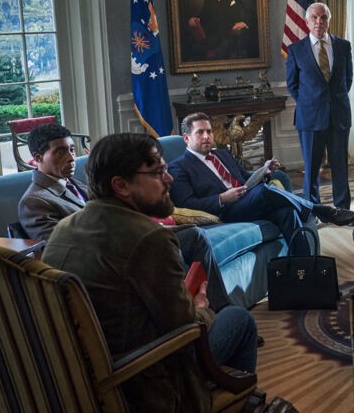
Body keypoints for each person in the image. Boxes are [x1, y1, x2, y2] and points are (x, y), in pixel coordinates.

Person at [42, 133, 258, 411]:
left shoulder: (64, 228)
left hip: (82, 382)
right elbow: (186, 328)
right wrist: (203, 308)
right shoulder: (148, 238)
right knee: (238, 319)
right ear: (121, 185)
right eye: (157, 172)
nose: (169, 179)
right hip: (142, 382)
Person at [19, 123, 232, 311]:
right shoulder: (35, 201)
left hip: (130, 237)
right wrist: (145, 233)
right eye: (60, 152)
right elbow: (61, 248)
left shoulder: (76, 184)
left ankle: (219, 306)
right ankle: (197, 308)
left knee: (194, 235)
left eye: (72, 149)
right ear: (38, 158)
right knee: (238, 322)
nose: (71, 157)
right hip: (107, 259)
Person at [168, 113, 354, 254]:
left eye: (209, 131)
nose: (207, 136)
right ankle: (320, 210)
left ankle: (305, 272)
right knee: (264, 191)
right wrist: (221, 198)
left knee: (287, 212)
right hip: (226, 210)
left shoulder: (222, 154)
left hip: (249, 200)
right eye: (200, 132)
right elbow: (187, 204)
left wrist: (263, 172)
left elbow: (246, 178)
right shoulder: (178, 167)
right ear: (187, 138)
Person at [285, 2, 353, 211]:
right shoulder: (296, 50)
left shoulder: (343, 46)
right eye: (314, 17)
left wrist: (334, 100)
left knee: (340, 166)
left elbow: (347, 80)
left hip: (338, 115)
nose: (319, 21)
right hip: (310, 117)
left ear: (328, 21)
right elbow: (292, 85)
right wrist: (311, 102)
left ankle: (342, 210)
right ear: (306, 22)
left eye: (323, 17)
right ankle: (312, 210)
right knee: (312, 169)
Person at [187, 0, 252, 59]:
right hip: (214, 35)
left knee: (218, 54)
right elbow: (205, 14)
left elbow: (249, 10)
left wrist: (244, 22)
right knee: (195, 49)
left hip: (231, 35)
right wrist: (196, 19)